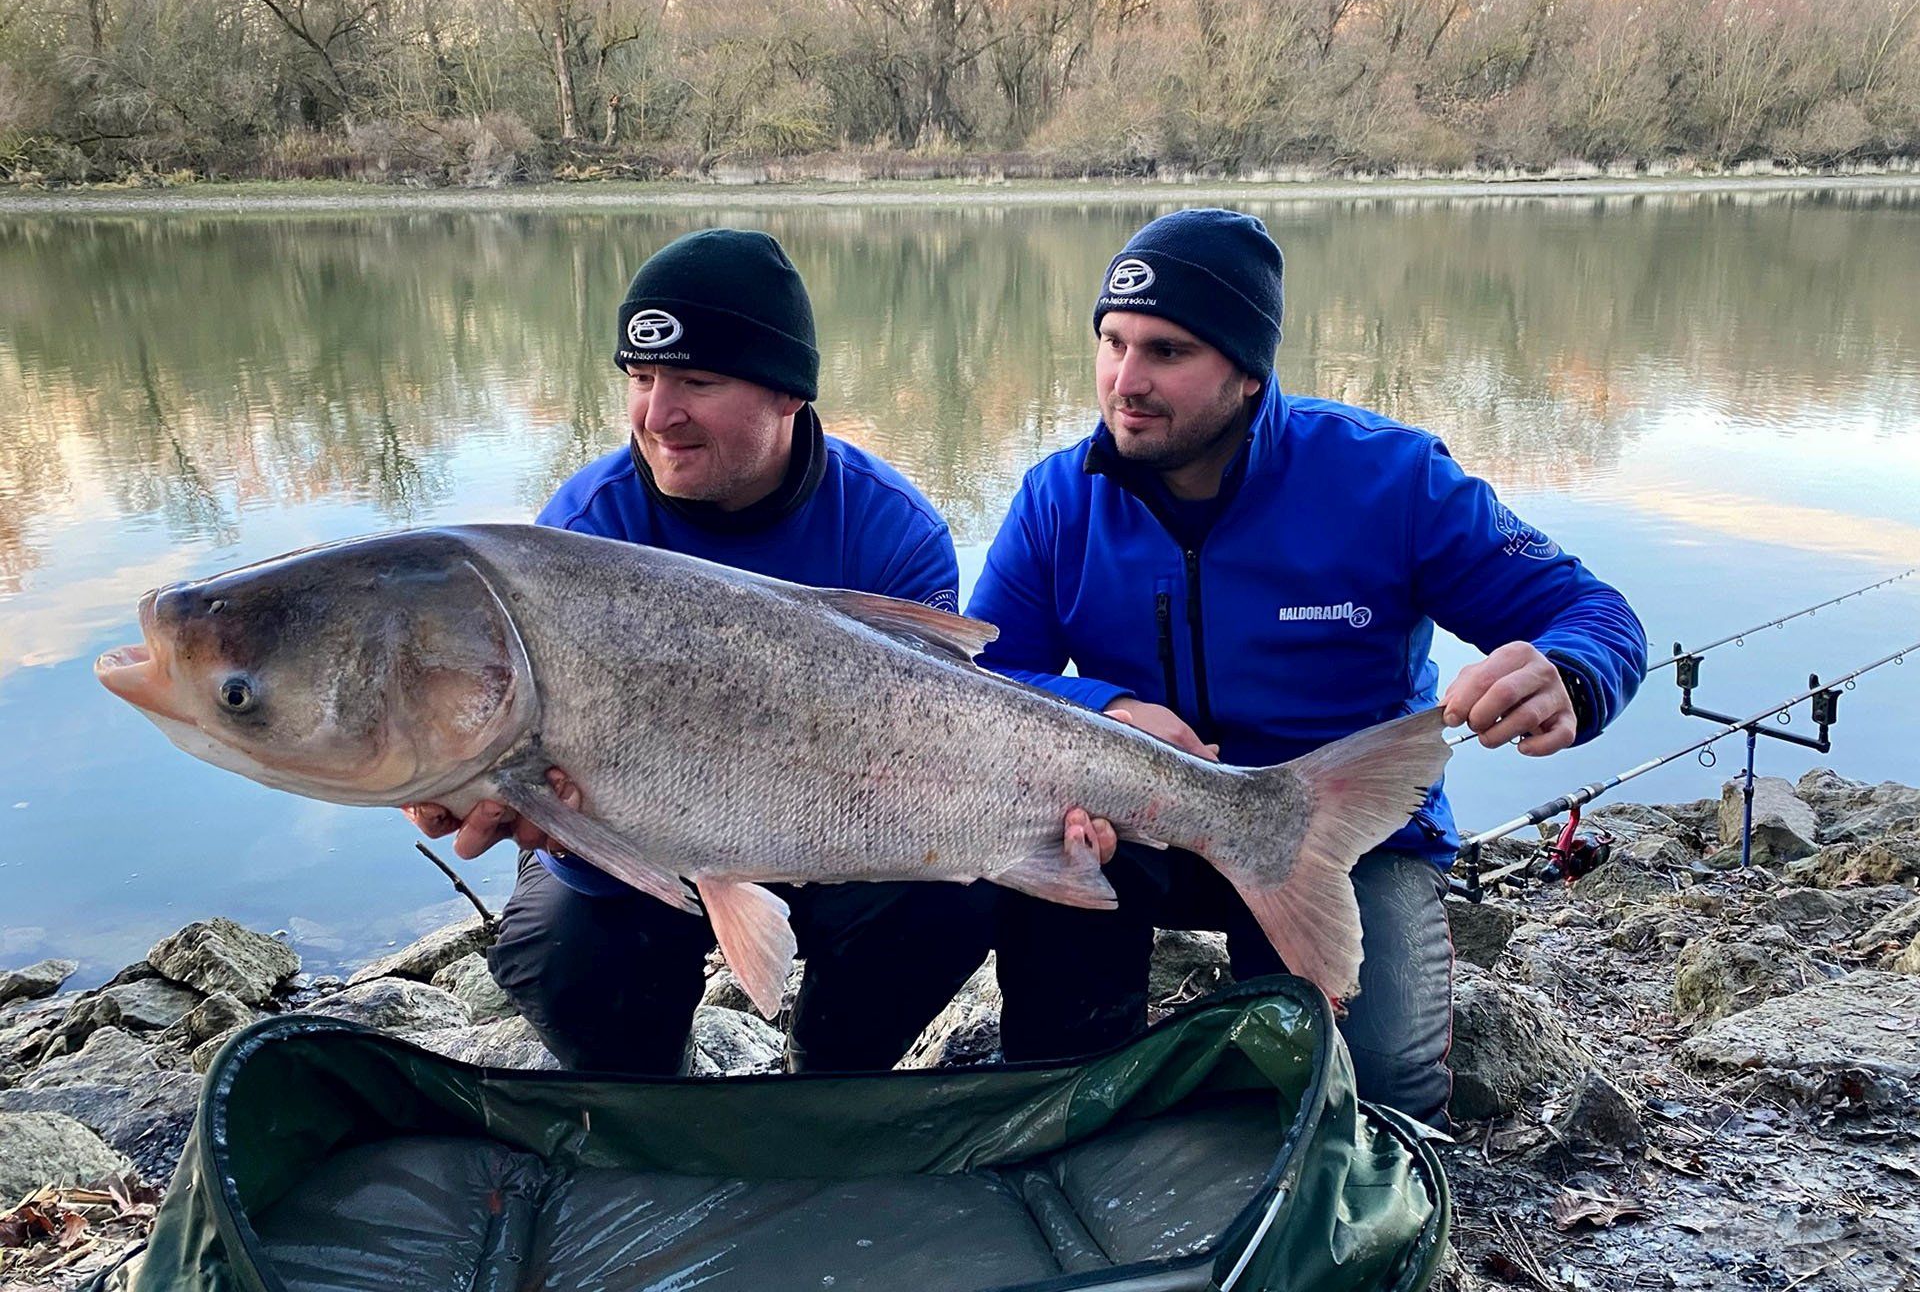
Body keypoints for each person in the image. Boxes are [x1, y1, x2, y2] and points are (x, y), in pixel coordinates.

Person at [968, 208, 1647, 1126]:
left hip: (1340, 830)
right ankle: (1082, 1097)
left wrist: (1571, 671)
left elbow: (1595, 611)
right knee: (1055, 1054)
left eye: (1167, 352)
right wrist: (1107, 703)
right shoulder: (1059, 498)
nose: (1125, 382)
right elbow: (985, 682)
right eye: (1113, 343)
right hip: (1142, 824)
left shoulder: (1390, 480)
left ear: (1249, 372)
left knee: (1374, 1104)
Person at [405, 227, 992, 1075]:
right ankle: (661, 1103)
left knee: (957, 902)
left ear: (789, 394)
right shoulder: (584, 529)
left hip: (841, 827)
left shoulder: (893, 532)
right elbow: (539, 767)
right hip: (635, 833)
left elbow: (941, 754)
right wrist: (551, 820)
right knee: (559, 949)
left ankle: (831, 1081)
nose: (656, 414)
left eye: (696, 381)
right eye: (640, 379)